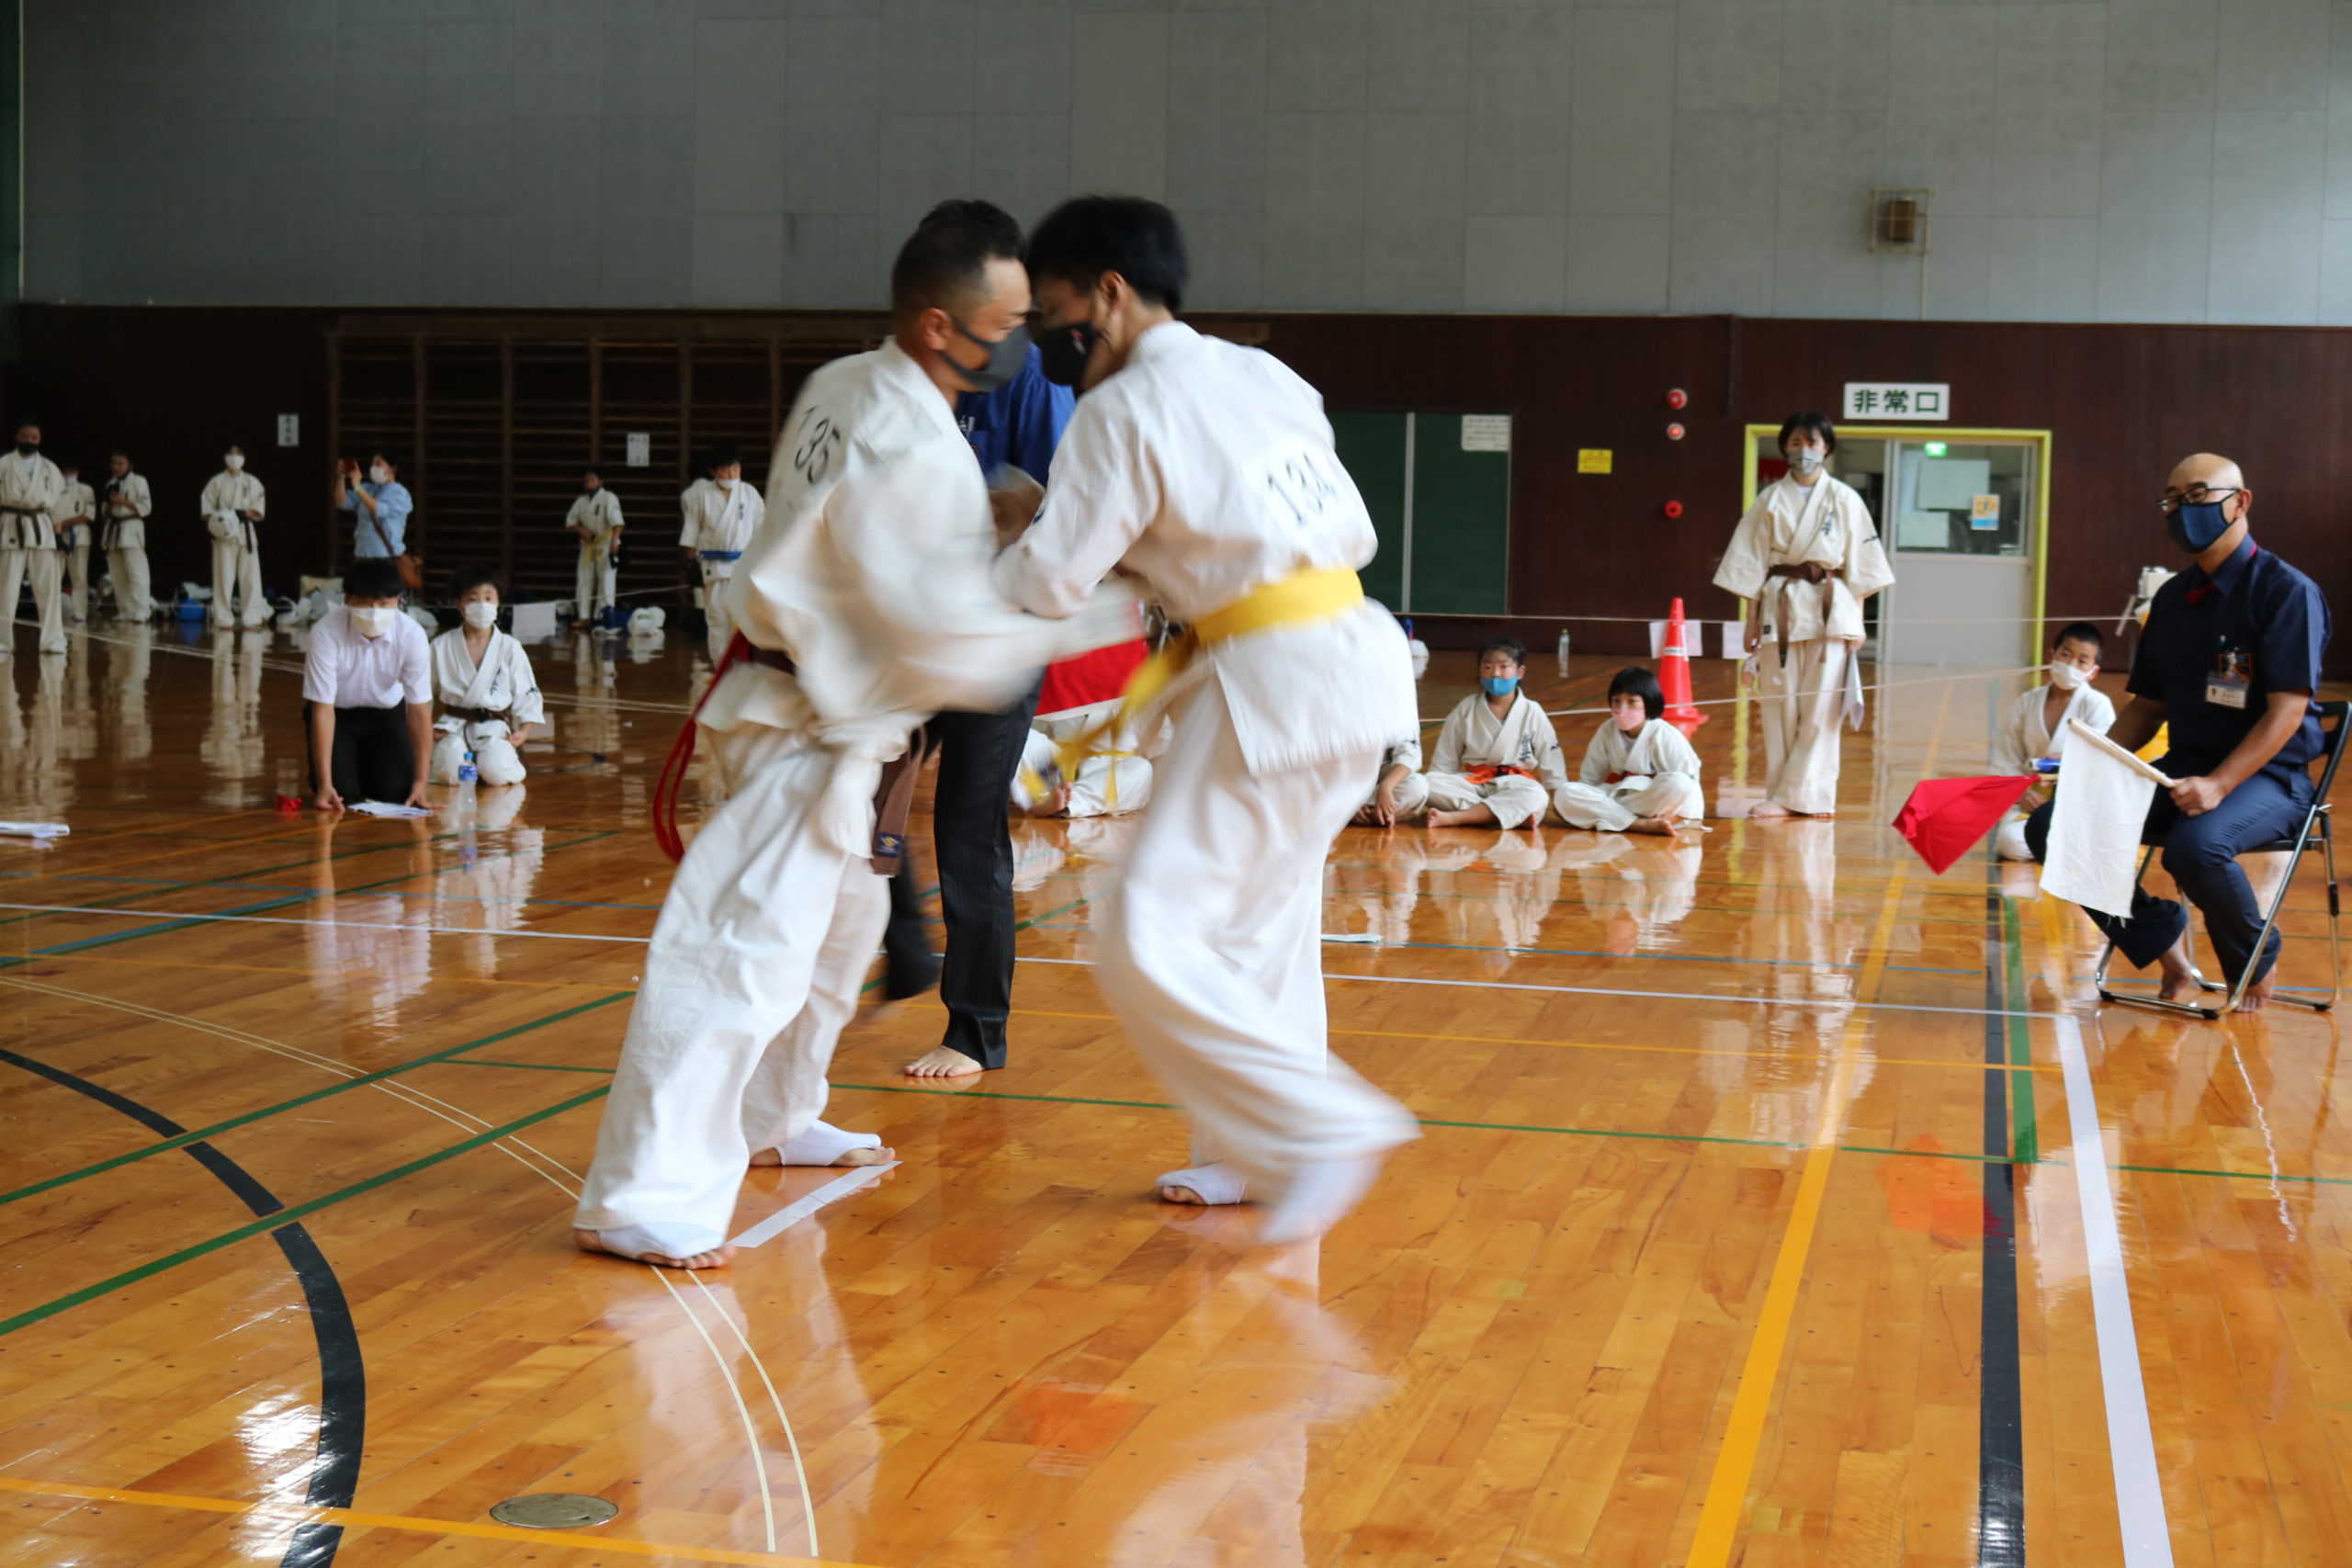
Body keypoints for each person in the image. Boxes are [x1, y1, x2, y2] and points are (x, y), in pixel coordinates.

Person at [570, 207, 1139, 1269]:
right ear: (938, 326)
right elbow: (933, 633)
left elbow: (883, 553)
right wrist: (1097, 613)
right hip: (808, 720)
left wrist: (983, 537)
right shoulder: (906, 440)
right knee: (741, 954)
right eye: (1004, 325)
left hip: (833, 712)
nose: (1021, 345)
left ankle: (776, 1115)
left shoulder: (850, 385)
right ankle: (635, 1193)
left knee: (843, 937)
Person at [996, 195, 1420, 1243]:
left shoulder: (1124, 411)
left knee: (1145, 933)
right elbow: (1247, 527)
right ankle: (1247, 1154)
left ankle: (1318, 1128)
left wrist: (1000, 539)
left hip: (1270, 677)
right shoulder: (1267, 377)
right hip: (1350, 662)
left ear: (1108, 292)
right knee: (1259, 924)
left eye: (1056, 315)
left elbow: (1050, 579)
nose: (1053, 344)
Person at [887, 198, 1082, 1083]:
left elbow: (1051, 503)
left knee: (968, 824)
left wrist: (989, 518)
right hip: (908, 623)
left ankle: (975, 1030)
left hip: (999, 631)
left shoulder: (1030, 376)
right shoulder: (898, 378)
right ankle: (901, 946)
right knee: (854, 786)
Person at [2025, 455, 2330, 1013]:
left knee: (2196, 848)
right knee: (2053, 825)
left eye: (2196, 495)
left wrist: (2218, 784)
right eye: (2172, 499)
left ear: (2239, 502)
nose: (2181, 509)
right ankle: (2162, 942)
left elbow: (2287, 712)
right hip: (2183, 770)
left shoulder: (2286, 592)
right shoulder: (2171, 599)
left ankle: (2256, 957)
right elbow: (2148, 706)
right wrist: (2089, 769)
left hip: (2272, 778)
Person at [1713, 412, 1894, 818]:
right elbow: (1750, 563)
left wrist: (1857, 622)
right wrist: (1750, 621)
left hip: (1831, 610)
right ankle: (1781, 794)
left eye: (1812, 443)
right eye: (1796, 443)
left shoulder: (1844, 498)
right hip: (1780, 607)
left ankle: (1810, 797)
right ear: (1785, 448)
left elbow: (1861, 565)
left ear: (1826, 448)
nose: (1804, 451)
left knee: (1821, 711)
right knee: (1779, 706)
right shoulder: (1769, 499)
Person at [301, 556, 433, 811]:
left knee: (398, 792)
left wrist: (421, 782)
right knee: (340, 791)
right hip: (338, 716)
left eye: (384, 604)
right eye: (363, 603)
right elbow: (322, 708)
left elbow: (419, 709)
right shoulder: (325, 633)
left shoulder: (412, 635)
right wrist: (325, 783)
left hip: (387, 715)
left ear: (398, 601)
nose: (374, 612)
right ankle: (341, 771)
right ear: (348, 599)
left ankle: (369, 766)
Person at [1992, 623, 2115, 861]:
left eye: (2082, 661)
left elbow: (2104, 761)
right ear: (2051, 656)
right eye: (2066, 655)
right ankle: (2066, 848)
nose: (2071, 666)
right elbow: (2006, 759)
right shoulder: (2027, 702)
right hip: (2031, 800)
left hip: (2077, 802)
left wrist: (2067, 761)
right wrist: (2022, 794)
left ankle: (2070, 843)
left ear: (2093, 671)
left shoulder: (2098, 706)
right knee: (2011, 842)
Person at [1418, 637, 1568, 829]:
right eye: (1488, 667)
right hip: (1472, 783)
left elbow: (1551, 760)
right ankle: (1508, 815)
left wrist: (1561, 803)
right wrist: (1440, 784)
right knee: (1428, 783)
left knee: (1536, 795)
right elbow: (1445, 761)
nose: (1495, 674)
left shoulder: (1532, 711)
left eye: (1504, 667)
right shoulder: (1466, 708)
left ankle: (1458, 817)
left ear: (1520, 672)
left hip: (1515, 783)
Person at [1552, 666, 1704, 835]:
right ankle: (1638, 823)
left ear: (1648, 702)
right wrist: (1570, 802)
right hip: (1616, 796)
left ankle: (1617, 818)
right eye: (1617, 701)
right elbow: (1590, 780)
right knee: (1565, 792)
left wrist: (1675, 819)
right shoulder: (1607, 730)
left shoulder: (1665, 734)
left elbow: (1689, 784)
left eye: (1632, 701)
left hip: (1652, 799)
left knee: (1679, 782)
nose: (1622, 708)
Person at [428, 566, 544, 786]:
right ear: (458, 604)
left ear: (498, 601)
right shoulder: (441, 646)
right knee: (451, 773)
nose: (482, 605)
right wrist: (427, 728)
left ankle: (492, 763)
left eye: (488, 598)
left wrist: (524, 731)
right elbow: (421, 693)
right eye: (473, 599)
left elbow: (527, 691)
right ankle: (466, 761)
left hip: (493, 727)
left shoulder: (509, 646)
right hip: (452, 725)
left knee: (496, 773)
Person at [678, 444, 764, 664]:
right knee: (717, 618)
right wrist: (691, 564)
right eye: (725, 471)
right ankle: (721, 667)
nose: (731, 475)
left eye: (735, 469)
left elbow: (763, 529)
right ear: (713, 471)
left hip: (742, 566)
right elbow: (691, 531)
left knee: (743, 620)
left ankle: (744, 668)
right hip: (712, 566)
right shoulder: (701, 496)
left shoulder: (749, 493)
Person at [0, 423, 68, 657]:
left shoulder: (49, 468)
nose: (29, 440)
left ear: (39, 440)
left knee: (48, 588)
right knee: (6, 587)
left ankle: (53, 640)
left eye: (34, 437)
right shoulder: (4, 464)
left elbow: (59, 504)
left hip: (42, 528)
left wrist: (58, 535)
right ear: (16, 437)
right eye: (25, 436)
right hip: (11, 524)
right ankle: (2, 641)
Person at [201, 446, 270, 628]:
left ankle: (252, 618)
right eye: (231, 454)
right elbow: (206, 511)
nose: (234, 457)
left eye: (238, 454)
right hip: (224, 534)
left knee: (251, 578)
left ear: (244, 457)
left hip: (245, 532)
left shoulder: (252, 482)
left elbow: (258, 508)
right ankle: (223, 619)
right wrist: (223, 518)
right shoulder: (216, 482)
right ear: (225, 456)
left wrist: (243, 513)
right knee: (223, 578)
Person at [567, 469, 626, 628]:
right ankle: (584, 616)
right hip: (588, 544)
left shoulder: (609, 497)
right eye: (586, 481)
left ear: (601, 482)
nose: (589, 483)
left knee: (606, 579)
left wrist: (615, 541)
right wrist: (581, 530)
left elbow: (618, 523)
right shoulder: (581, 501)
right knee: (584, 579)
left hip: (606, 543)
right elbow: (570, 521)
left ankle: (604, 616)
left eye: (592, 480)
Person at [334, 448, 413, 563]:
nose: (373, 467)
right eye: (373, 463)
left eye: (378, 464)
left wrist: (357, 486)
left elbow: (378, 510)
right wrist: (341, 479)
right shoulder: (368, 488)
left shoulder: (400, 493)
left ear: (393, 469)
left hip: (385, 557)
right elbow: (341, 502)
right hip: (361, 555)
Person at [100, 452, 153, 621]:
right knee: (117, 574)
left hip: (131, 527)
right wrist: (110, 503)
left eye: (120, 463)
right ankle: (125, 610)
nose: (116, 467)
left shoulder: (139, 481)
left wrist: (122, 501)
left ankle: (142, 609)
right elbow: (104, 511)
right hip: (113, 528)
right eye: (113, 463)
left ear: (129, 465)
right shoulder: (110, 483)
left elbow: (146, 507)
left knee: (136, 571)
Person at [1352, 733, 1429, 826]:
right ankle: (1353, 813)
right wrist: (1350, 801)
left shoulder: (1402, 723)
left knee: (1418, 785)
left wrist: (1386, 787)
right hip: (1342, 787)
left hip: (1376, 781)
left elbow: (1408, 755)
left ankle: (1374, 812)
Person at [54, 463, 95, 624]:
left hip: (79, 536)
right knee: (55, 574)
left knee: (79, 575)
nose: (68, 475)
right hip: (58, 535)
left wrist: (66, 523)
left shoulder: (86, 490)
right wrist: (58, 526)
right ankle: (52, 609)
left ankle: (80, 611)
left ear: (77, 472)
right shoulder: (55, 489)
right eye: (65, 471)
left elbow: (89, 515)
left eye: (71, 471)